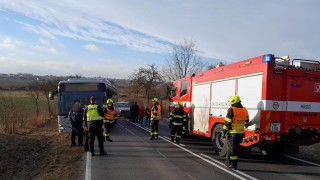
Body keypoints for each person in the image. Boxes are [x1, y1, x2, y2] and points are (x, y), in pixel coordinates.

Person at [221, 95, 249, 169]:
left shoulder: (231, 109)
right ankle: (231, 164)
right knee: (234, 148)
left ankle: (233, 165)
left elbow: (227, 122)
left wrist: (223, 132)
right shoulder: (245, 110)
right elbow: (247, 122)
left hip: (233, 133)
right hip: (241, 134)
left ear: (233, 102)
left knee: (232, 149)